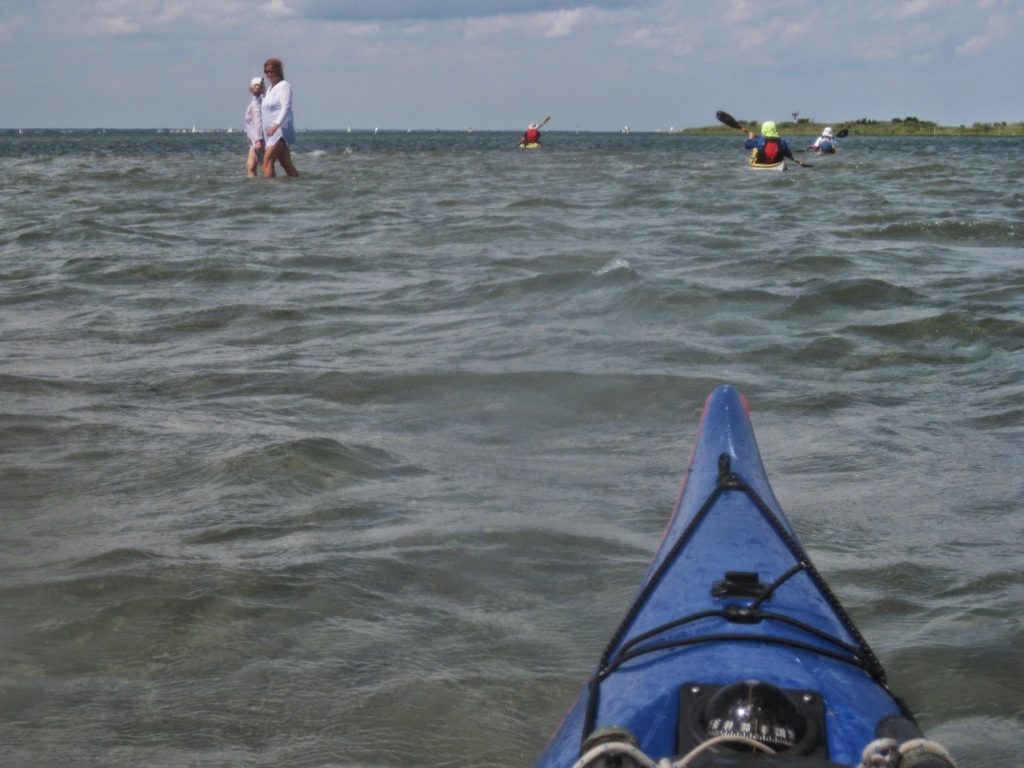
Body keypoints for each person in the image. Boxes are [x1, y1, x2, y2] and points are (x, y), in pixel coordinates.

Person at [260, 57, 300, 178]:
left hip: (280, 131)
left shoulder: (284, 86)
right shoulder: (270, 89)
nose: (269, 74)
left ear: (279, 71)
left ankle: (269, 192)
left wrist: (276, 125)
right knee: (286, 164)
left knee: (267, 162)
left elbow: (285, 107)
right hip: (270, 134)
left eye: (272, 71)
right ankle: (297, 185)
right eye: (267, 72)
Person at [244, 77, 265, 177]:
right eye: (255, 85)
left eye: (260, 85)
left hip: (258, 141)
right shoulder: (256, 101)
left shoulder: (258, 102)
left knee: (262, 166)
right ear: (251, 88)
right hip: (253, 141)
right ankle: (257, 189)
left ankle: (268, 187)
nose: (258, 87)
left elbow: (258, 121)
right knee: (251, 166)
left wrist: (258, 139)